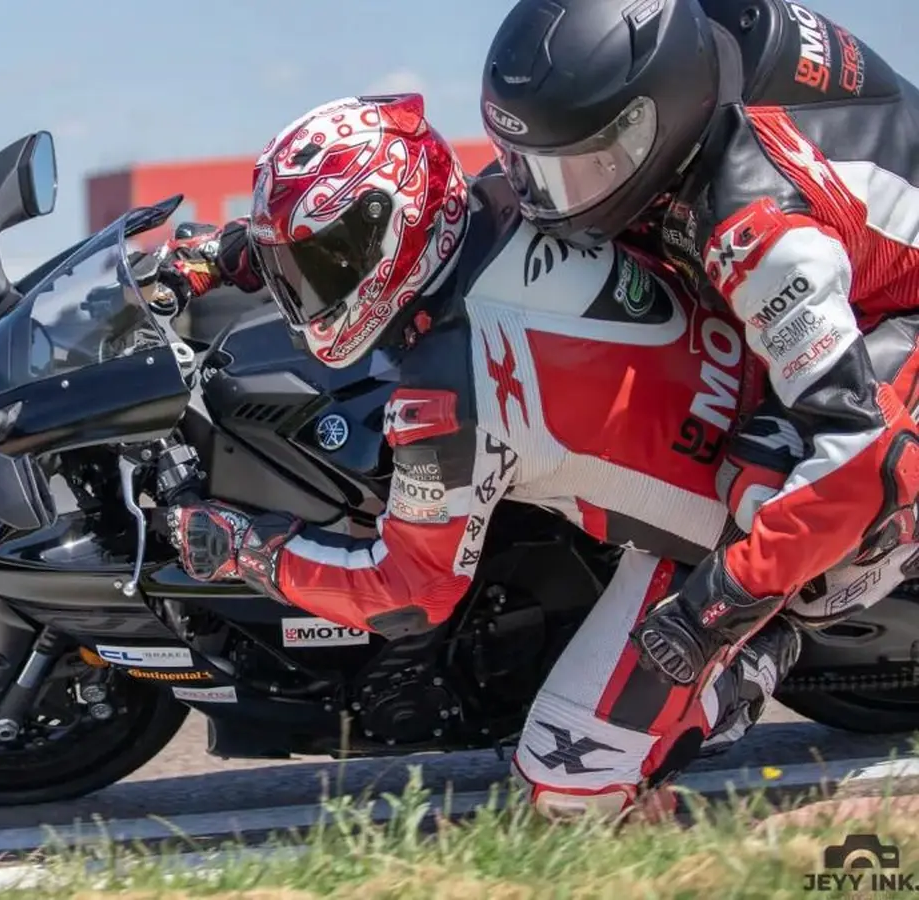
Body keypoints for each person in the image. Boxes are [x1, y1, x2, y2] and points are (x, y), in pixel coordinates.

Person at [152, 91, 914, 821]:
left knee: (568, 783)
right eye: (300, 267)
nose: (308, 292)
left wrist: (247, 552)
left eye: (320, 266)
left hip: (758, 512)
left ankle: (761, 646)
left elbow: (407, 593)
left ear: (395, 229)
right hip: (751, 381)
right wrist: (232, 255)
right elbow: (351, 240)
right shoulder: (501, 196)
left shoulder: (448, 394)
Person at [478, 0, 919, 698]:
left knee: (766, 474)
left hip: (898, 313)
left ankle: (772, 642)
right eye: (529, 166)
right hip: (855, 275)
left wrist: (712, 607)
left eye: (582, 170)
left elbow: (860, 451)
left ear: (659, 120)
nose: (550, 201)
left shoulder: (760, 227)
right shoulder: (687, 51)